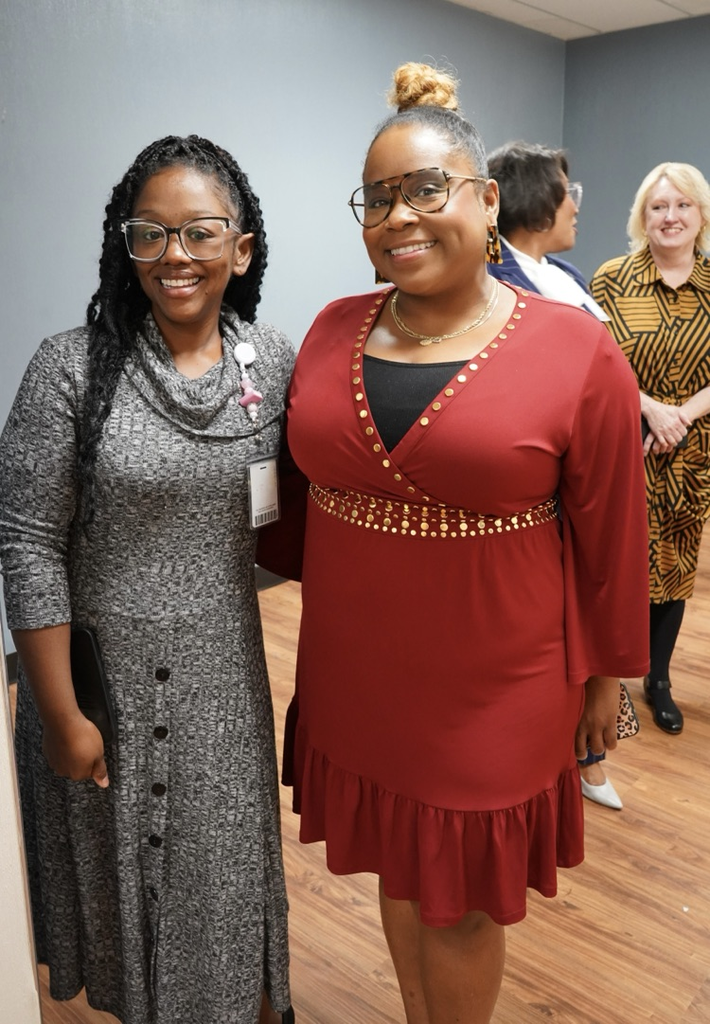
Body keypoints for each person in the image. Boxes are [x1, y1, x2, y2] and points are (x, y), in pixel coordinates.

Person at [265, 62, 649, 1024]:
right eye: (379, 197)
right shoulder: (330, 329)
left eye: (427, 189)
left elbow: (614, 534)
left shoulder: (573, 347)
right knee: (401, 862)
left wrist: (608, 679)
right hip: (358, 664)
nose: (400, 217)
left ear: (484, 201)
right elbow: (297, 498)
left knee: (466, 897)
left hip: (500, 675)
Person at [0, 135, 296, 1024]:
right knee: (126, 909)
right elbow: (25, 539)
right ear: (125, 247)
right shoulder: (70, 368)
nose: (177, 256)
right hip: (99, 687)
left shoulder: (273, 363)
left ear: (240, 248)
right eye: (151, 234)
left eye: (201, 233)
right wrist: (59, 715)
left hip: (222, 685)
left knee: (222, 888)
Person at [487, 141, 621, 810]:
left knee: (600, 613)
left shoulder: (566, 273)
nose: (576, 204)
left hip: (603, 475)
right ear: (539, 200)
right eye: (570, 192)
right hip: (552, 493)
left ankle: (592, 751)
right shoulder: (501, 282)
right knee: (568, 627)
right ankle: (575, 756)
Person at [591, 162, 710, 736]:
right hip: (627, 446)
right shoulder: (612, 279)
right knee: (622, 565)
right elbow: (591, 360)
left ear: (701, 216)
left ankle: (657, 679)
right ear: (643, 215)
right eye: (659, 206)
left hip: (690, 453)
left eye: (682, 206)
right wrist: (649, 406)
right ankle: (611, 676)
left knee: (675, 568)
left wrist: (682, 414)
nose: (670, 217)